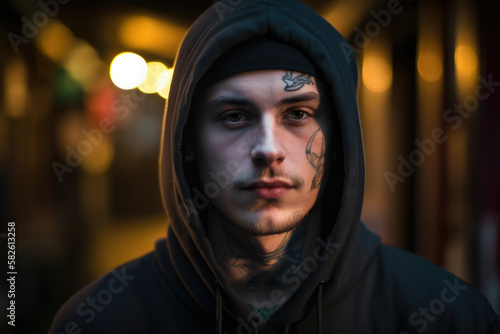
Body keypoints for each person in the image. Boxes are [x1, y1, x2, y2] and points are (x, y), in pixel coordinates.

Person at [50, 0, 499, 333]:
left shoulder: (447, 315)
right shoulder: (98, 321)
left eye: (298, 115)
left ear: (340, 139)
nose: (268, 149)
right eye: (234, 116)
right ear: (187, 144)